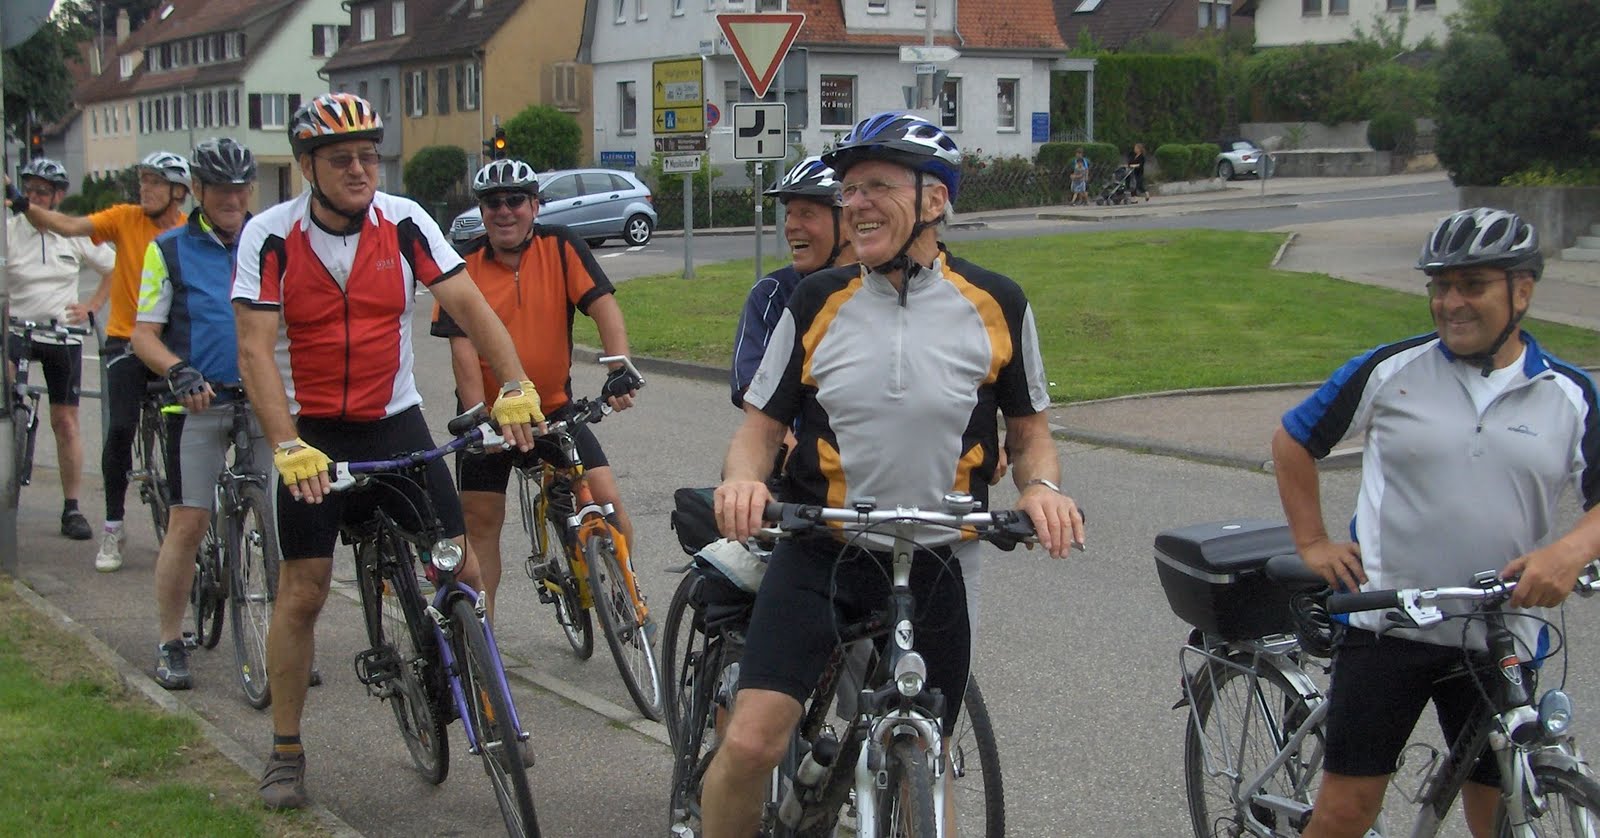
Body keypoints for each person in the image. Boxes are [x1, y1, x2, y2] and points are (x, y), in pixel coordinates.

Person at [699, 111, 1086, 838]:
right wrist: (744, 479)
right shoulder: (816, 301)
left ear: (935, 200)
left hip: (941, 555)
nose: (857, 203)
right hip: (824, 550)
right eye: (849, 190)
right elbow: (759, 431)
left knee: (930, 753)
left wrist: (1041, 487)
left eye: (877, 185)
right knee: (750, 743)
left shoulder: (998, 302)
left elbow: (1030, 433)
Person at [232, 93, 543, 810]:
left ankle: (488, 703)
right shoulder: (270, 237)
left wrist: (515, 385)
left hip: (394, 420)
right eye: (341, 158)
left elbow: (471, 307)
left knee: (462, 566)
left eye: (369, 156)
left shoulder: (404, 221)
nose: (359, 169)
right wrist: (286, 444)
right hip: (314, 432)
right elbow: (254, 352)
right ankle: (286, 749)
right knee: (303, 590)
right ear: (307, 166)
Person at [1272, 207, 1600, 838]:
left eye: (1472, 285)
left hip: (1499, 632)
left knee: (1498, 814)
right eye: (1440, 286)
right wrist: (1312, 542)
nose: (1451, 302)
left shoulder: (1568, 394)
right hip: (1387, 621)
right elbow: (1294, 440)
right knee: (1346, 812)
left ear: (1522, 291)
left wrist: (1569, 553)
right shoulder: (1390, 370)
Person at [431, 158, 643, 616]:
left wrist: (619, 367)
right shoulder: (462, 264)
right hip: (489, 421)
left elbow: (603, 306)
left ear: (534, 206)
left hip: (553, 410)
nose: (504, 211)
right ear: (482, 211)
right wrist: (478, 417)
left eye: (515, 201)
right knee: (480, 524)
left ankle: (628, 595)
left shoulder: (560, 245)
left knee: (606, 499)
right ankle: (482, 637)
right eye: (493, 203)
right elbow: (462, 350)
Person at [130, 138, 267, 690]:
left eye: (240, 189)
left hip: (260, 399)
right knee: (189, 521)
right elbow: (144, 335)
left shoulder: (269, 241)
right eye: (220, 189)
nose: (232, 199)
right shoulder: (168, 249)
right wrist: (178, 371)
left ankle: (286, 639)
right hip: (198, 402)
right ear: (199, 190)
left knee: (280, 517)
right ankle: (170, 640)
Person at [11, 150, 191, 571]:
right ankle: (113, 526)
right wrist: (23, 204)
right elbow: (68, 226)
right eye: (142, 180)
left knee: (185, 434)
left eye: (155, 182)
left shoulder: (188, 233)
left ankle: (184, 526)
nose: (145, 189)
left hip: (171, 344)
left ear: (178, 192)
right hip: (126, 341)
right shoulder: (124, 218)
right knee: (121, 429)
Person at [4, 159, 115, 540]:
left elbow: (114, 268)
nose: (34, 197)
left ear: (58, 196)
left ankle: (72, 508)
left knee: (65, 421)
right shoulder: (9, 231)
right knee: (5, 403)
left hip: (61, 334)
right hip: (17, 329)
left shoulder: (72, 232)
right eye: (29, 190)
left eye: (43, 191)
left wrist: (92, 307)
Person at [730, 156, 854, 410]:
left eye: (806, 214)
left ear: (847, 221)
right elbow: (752, 390)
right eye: (788, 214)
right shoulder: (773, 293)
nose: (791, 227)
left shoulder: (887, 286)